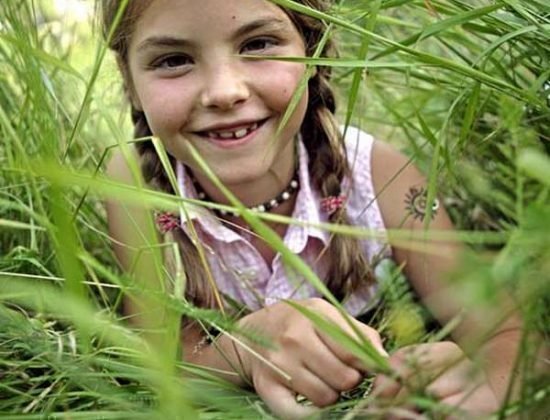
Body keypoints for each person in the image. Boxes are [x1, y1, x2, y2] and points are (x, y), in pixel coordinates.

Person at [101, 0, 523, 418]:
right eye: (174, 60)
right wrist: (249, 345)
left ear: (313, 50)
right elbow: (167, 365)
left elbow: (506, 331)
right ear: (129, 79)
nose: (225, 92)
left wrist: (482, 385)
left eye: (259, 43)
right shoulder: (136, 185)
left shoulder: (382, 177)